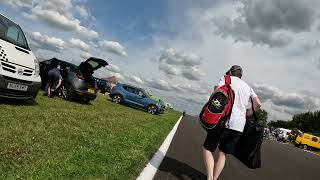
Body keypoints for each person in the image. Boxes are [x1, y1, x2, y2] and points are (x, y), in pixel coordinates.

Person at [203, 65, 262, 180]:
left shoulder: (226, 78)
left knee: (208, 148)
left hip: (222, 121)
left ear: (230, 72)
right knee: (223, 153)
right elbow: (258, 104)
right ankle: (214, 179)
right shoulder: (248, 87)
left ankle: (209, 178)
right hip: (238, 126)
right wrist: (247, 114)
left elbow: (217, 93)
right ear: (240, 76)